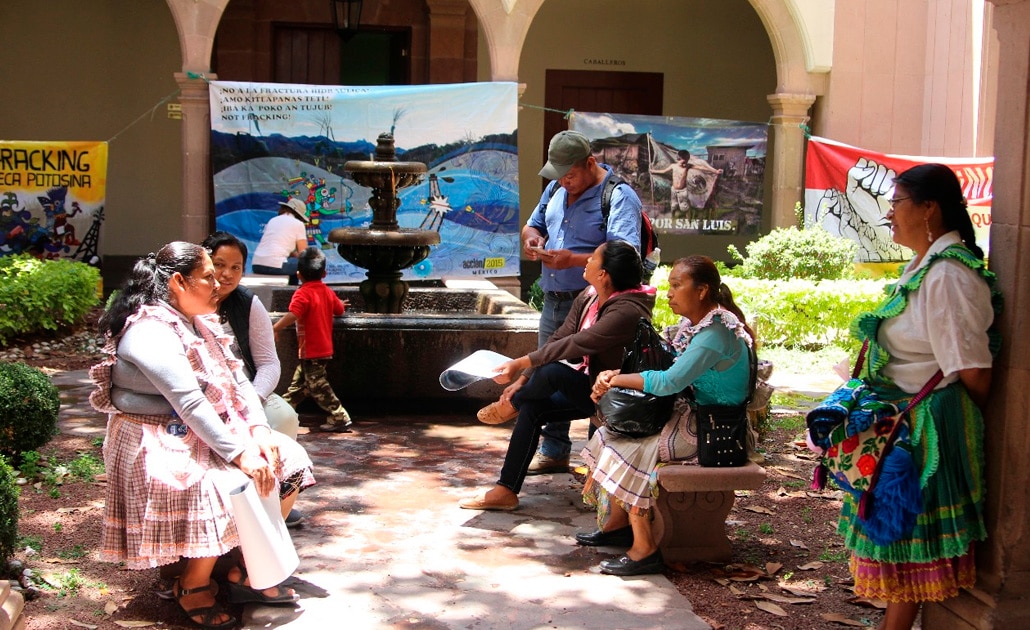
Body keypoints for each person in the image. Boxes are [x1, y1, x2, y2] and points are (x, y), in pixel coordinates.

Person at [813, 164, 1000, 630]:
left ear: (929, 207)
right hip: (906, 422)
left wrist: (951, 424)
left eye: (896, 203)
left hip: (926, 432)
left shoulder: (949, 276)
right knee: (900, 547)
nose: (890, 215)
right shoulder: (925, 268)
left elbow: (973, 370)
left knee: (907, 546)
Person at [90, 242, 315, 628]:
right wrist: (240, 453)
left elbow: (239, 382)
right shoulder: (150, 330)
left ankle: (249, 566)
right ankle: (191, 585)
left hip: (211, 430)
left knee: (290, 460)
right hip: (156, 439)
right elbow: (190, 403)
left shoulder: (203, 322)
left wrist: (259, 431)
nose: (219, 283)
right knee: (224, 483)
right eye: (209, 275)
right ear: (178, 282)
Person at [584, 255, 755, 576]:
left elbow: (670, 382)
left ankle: (644, 548)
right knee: (610, 434)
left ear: (702, 290)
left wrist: (614, 379)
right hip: (694, 419)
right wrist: (615, 373)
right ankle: (620, 527)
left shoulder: (715, 333)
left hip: (712, 432)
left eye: (677, 285)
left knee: (630, 446)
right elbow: (668, 371)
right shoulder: (701, 327)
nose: (670, 293)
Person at [460, 240, 655, 511]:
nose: (587, 261)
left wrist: (518, 363)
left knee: (553, 372)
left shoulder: (628, 311)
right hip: (590, 388)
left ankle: (511, 406)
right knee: (532, 408)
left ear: (604, 274)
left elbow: (577, 344)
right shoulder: (589, 295)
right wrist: (523, 378)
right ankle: (505, 490)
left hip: (618, 399)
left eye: (594, 259)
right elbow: (559, 337)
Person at [514, 130, 643, 476]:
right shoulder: (557, 187)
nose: (564, 182)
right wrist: (533, 239)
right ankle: (553, 449)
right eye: (559, 176)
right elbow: (533, 223)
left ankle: (598, 459)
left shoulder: (618, 197)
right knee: (546, 373)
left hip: (597, 303)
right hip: (555, 300)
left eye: (570, 174)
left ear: (590, 163)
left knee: (598, 379)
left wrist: (572, 260)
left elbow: (625, 254)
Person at [202, 231, 304, 529]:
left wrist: (253, 400)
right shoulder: (185, 302)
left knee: (284, 417)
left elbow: (269, 363)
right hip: (200, 396)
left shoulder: (247, 304)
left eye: (236, 267)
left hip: (246, 391)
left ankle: (278, 492)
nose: (227, 274)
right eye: (219, 265)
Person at [271, 246, 352, 433]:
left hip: (312, 350)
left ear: (298, 274)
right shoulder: (327, 291)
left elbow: (294, 314)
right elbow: (338, 310)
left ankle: (339, 416)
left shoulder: (302, 293)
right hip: (322, 348)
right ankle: (283, 411)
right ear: (324, 273)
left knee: (318, 386)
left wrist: (275, 327)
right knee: (300, 384)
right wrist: (340, 303)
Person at [649, 149, 722, 220]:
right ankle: (673, 216)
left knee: (684, 207)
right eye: (683, 162)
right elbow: (663, 171)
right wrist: (653, 171)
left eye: (686, 162)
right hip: (674, 190)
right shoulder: (673, 166)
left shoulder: (688, 166)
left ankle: (688, 218)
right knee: (673, 205)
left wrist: (715, 171)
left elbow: (701, 167)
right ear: (678, 159)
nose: (684, 164)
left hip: (682, 191)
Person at [251, 197, 309, 285]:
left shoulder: (272, 220)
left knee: (293, 262)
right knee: (305, 263)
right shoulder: (298, 224)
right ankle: (295, 292)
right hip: (276, 266)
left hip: (256, 265)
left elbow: (281, 247)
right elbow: (304, 253)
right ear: (299, 215)